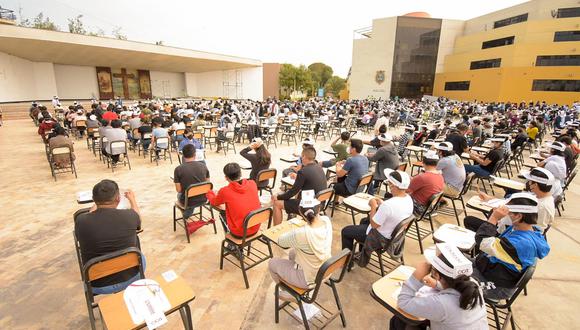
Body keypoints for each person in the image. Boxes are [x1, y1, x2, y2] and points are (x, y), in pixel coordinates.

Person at [471, 193, 550, 300]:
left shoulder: (521, 243)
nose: (506, 214)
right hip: (490, 269)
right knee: (446, 260)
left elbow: (483, 242)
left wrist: (494, 218)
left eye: (509, 212)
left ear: (518, 216)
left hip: (496, 286)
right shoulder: (527, 229)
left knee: (451, 278)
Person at [392, 243, 488, 330]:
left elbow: (403, 302)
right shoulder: (472, 283)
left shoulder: (441, 304)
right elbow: (457, 289)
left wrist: (416, 277)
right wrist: (437, 284)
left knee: (398, 321)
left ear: (437, 275)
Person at [75, 180, 142, 294]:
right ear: (118, 199)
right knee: (138, 250)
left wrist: (98, 203)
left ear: (94, 199)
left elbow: (90, 217)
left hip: (97, 283)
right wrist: (132, 200)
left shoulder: (81, 221)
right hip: (131, 276)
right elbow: (138, 220)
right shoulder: (130, 216)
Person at [268, 194, 332, 293]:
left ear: (301, 214)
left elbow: (281, 242)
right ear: (319, 209)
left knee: (272, 263)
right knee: (293, 253)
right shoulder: (326, 221)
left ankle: (289, 292)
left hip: (309, 279)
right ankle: (293, 282)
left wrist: (293, 232)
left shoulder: (302, 234)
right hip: (326, 270)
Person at [341, 169, 413, 252]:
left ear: (393, 185)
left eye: (389, 182)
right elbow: (394, 211)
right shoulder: (408, 198)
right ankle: (362, 252)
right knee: (364, 221)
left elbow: (374, 225)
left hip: (381, 239)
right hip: (395, 235)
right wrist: (382, 204)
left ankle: (347, 262)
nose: (388, 184)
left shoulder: (388, 205)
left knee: (346, 231)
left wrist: (373, 206)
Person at [468, 167, 555, 231]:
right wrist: (489, 199)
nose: (528, 183)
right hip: (504, 225)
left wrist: (496, 218)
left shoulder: (543, 207)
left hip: (507, 234)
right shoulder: (539, 196)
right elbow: (512, 203)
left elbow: (536, 231)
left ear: (535, 184)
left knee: (469, 221)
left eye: (530, 181)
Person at [273, 148, 327, 225]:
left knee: (277, 204)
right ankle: (292, 215)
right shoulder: (319, 167)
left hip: (310, 207)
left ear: (304, 157)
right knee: (299, 194)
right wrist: (298, 177)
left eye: (301, 157)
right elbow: (309, 180)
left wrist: (278, 197)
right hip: (321, 204)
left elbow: (292, 192)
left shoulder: (303, 171)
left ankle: (275, 233)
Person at [206, 163, 261, 238]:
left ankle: (232, 244)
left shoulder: (225, 191)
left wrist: (210, 192)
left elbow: (214, 202)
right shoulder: (252, 183)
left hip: (240, 233)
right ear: (240, 173)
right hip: (256, 226)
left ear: (226, 177)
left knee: (222, 213)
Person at [173, 144, 212, 234]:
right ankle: (188, 213)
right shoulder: (203, 166)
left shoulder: (178, 169)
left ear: (183, 155)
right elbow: (208, 184)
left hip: (188, 201)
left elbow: (179, 190)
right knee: (191, 192)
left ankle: (186, 215)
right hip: (204, 199)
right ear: (195, 154)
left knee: (180, 195)